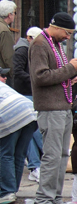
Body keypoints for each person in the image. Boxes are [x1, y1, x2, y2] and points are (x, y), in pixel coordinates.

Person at [30, 12, 77, 204]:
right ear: (56, 27)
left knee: (62, 155)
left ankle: (54, 197)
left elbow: (56, 74)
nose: (68, 37)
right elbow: (40, 77)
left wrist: (72, 73)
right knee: (52, 155)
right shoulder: (39, 44)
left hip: (63, 106)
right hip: (50, 108)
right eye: (67, 32)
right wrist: (70, 69)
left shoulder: (54, 44)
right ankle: (43, 200)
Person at [0, 71, 37, 204]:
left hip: (10, 114)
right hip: (30, 112)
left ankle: (7, 191)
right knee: (19, 155)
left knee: (5, 154)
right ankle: (12, 190)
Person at [12, 26, 43, 182]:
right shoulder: (22, 50)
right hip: (24, 93)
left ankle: (39, 162)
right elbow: (17, 71)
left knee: (36, 129)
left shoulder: (31, 49)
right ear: (30, 38)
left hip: (32, 93)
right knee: (30, 129)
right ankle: (34, 165)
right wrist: (35, 80)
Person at [0, 0, 16, 82]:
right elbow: (9, 57)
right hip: (3, 75)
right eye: (14, 13)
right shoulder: (4, 31)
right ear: (10, 15)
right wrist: (14, 75)